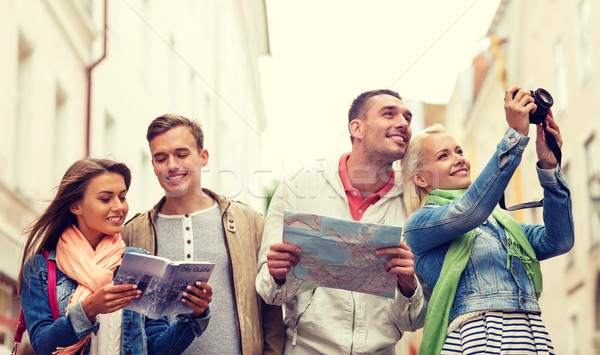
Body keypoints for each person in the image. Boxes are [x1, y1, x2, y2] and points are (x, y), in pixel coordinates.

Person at [401, 86, 574, 354]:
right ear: (421, 179)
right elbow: (469, 211)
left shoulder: (500, 224)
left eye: (458, 151)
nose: (459, 159)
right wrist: (515, 135)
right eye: (443, 156)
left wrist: (550, 168)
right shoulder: (419, 224)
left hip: (529, 332)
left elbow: (559, 240)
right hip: (479, 337)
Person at [256, 89, 427, 354]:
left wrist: (408, 286)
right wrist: (277, 275)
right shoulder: (298, 187)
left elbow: (414, 321)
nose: (403, 123)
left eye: (407, 117)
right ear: (356, 128)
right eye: (389, 114)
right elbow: (269, 293)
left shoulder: (415, 203)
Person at [121, 114, 285, 355]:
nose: (172, 165)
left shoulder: (248, 222)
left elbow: (270, 311)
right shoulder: (132, 233)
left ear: (203, 157)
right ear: (153, 165)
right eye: (161, 158)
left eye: (181, 154)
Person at [18, 158, 212, 355]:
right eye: (105, 199)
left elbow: (156, 349)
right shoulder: (40, 268)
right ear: (76, 206)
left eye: (122, 197)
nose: (119, 207)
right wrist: (89, 309)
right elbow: (42, 345)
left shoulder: (141, 264)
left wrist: (195, 315)